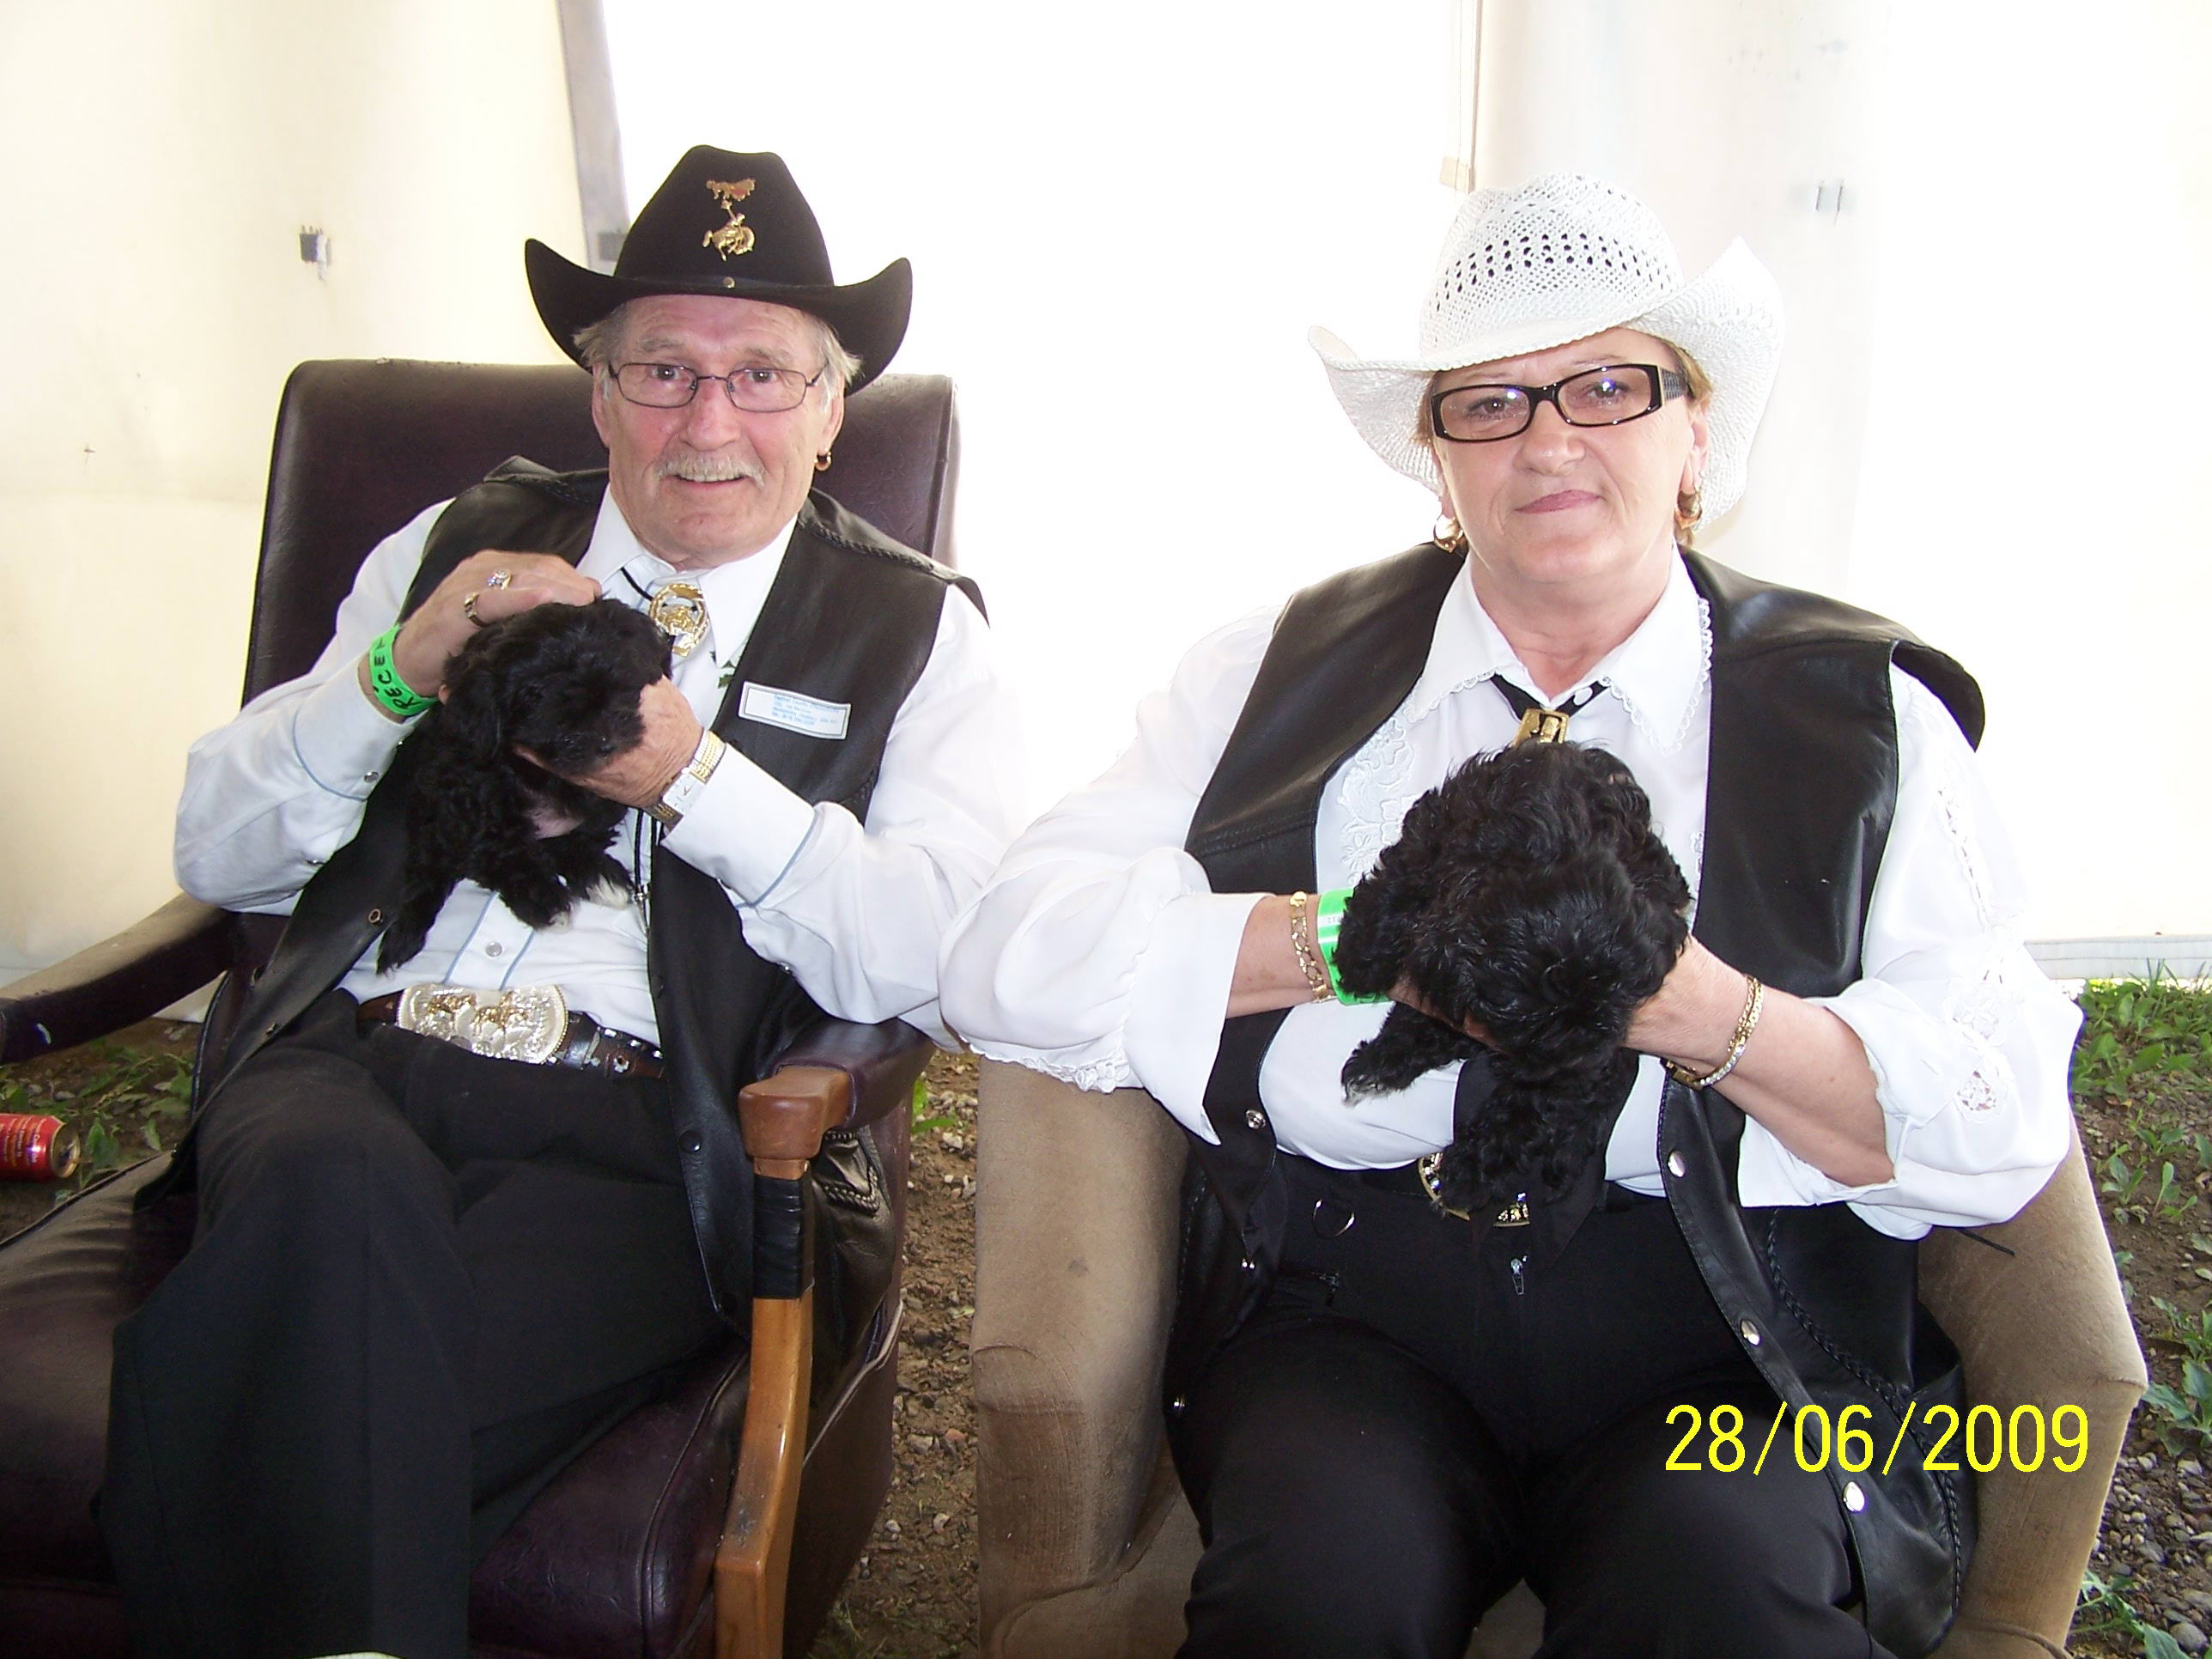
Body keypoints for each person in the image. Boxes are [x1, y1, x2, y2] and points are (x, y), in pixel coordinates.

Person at [940, 173, 2076, 1658]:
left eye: (1608, 386)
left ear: (1696, 430)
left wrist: (1689, 1009)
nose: (1548, 440)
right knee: (1316, 1600)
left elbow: (1996, 1118)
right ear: (1438, 456)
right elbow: (1004, 950)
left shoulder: (1866, 715)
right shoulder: (1272, 672)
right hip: (1352, 1323)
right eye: (1488, 403)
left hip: (1722, 1341)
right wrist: (1354, 941)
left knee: (1720, 1600)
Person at [103, 146, 1022, 1659]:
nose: (707, 422)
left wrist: (692, 778)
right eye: (661, 371)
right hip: (348, 1066)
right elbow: (221, 851)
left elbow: (936, 955)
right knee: (330, 1207)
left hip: (649, 1135)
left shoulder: (919, 633)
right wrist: (398, 670)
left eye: (761, 375)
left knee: (304, 1392)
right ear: (598, 394)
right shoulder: (456, 549)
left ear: (832, 411)